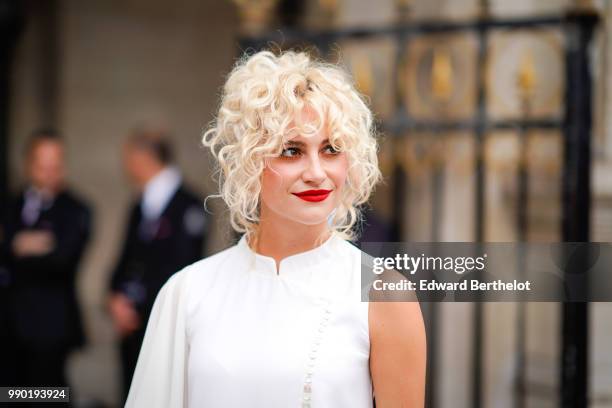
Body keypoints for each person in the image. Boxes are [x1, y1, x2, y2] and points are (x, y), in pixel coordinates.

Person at [125, 50, 426, 407]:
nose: (316, 171)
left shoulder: (383, 294)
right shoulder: (187, 292)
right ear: (250, 161)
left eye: (331, 149)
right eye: (291, 150)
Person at [107, 128, 208, 404]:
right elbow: (125, 257)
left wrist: (138, 308)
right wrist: (115, 297)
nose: (125, 165)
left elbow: (183, 266)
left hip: (164, 319)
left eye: (129, 156)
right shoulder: (139, 204)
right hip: (131, 324)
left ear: (145, 157)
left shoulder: (188, 205)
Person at [0, 129, 92, 392]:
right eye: (42, 166)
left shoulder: (76, 209)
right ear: (28, 164)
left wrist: (13, 243)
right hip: (8, 327)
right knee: (11, 397)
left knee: (47, 397)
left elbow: (61, 259)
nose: (50, 173)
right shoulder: (10, 206)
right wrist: (25, 244)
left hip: (50, 329)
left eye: (56, 166)